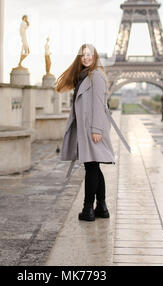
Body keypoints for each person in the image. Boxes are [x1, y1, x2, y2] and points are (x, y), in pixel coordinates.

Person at [55, 43, 131, 222]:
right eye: (82, 55)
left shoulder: (96, 76)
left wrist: (96, 129)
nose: (85, 58)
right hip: (87, 127)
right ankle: (101, 207)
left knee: (91, 167)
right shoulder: (83, 76)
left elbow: (98, 104)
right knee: (94, 167)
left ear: (95, 56)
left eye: (89, 54)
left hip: (92, 128)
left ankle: (88, 208)